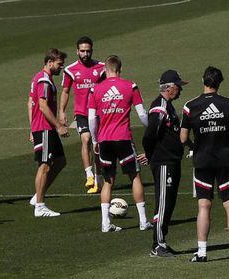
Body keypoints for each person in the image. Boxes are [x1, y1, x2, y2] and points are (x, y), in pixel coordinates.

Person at [180, 66, 229, 262]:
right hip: (225, 159)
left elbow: (183, 137)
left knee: (204, 206)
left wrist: (194, 146)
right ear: (219, 82)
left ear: (204, 80)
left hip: (202, 160)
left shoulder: (190, 106)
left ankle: (202, 253)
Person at [87, 55, 152, 232]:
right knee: (135, 176)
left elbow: (92, 119)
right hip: (123, 138)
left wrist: (94, 140)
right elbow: (142, 114)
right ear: (120, 69)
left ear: (105, 70)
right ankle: (143, 221)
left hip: (104, 139)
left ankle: (105, 224)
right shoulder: (130, 86)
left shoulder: (95, 90)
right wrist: (153, 130)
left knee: (108, 181)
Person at [142, 70, 188, 257]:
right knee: (163, 202)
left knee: (169, 202)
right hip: (163, 163)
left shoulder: (167, 107)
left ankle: (162, 241)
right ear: (169, 87)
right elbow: (149, 135)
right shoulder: (159, 108)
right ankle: (157, 244)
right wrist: (151, 155)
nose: (180, 90)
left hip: (171, 161)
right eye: (178, 86)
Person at [59, 36, 105, 194]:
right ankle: (89, 175)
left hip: (99, 113)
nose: (85, 54)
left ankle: (99, 178)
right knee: (86, 139)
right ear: (77, 51)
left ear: (92, 50)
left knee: (97, 145)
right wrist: (61, 111)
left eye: (88, 51)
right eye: (82, 51)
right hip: (82, 113)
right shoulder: (70, 70)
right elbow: (65, 92)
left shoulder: (102, 68)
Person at [28, 48, 69, 217]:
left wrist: (32, 128)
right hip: (45, 127)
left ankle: (38, 195)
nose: (62, 68)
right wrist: (59, 125)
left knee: (60, 161)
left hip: (44, 127)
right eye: (59, 64)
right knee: (44, 165)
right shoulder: (44, 81)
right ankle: (40, 206)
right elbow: (42, 106)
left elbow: (30, 103)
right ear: (50, 62)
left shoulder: (41, 78)